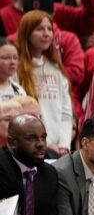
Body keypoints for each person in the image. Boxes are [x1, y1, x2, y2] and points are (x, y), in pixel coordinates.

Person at [14, 10, 73, 156]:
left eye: (49, 29)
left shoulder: (56, 69)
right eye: (40, 29)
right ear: (27, 33)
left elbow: (66, 113)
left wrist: (64, 144)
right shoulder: (15, 70)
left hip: (57, 148)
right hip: (27, 148)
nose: (46, 34)